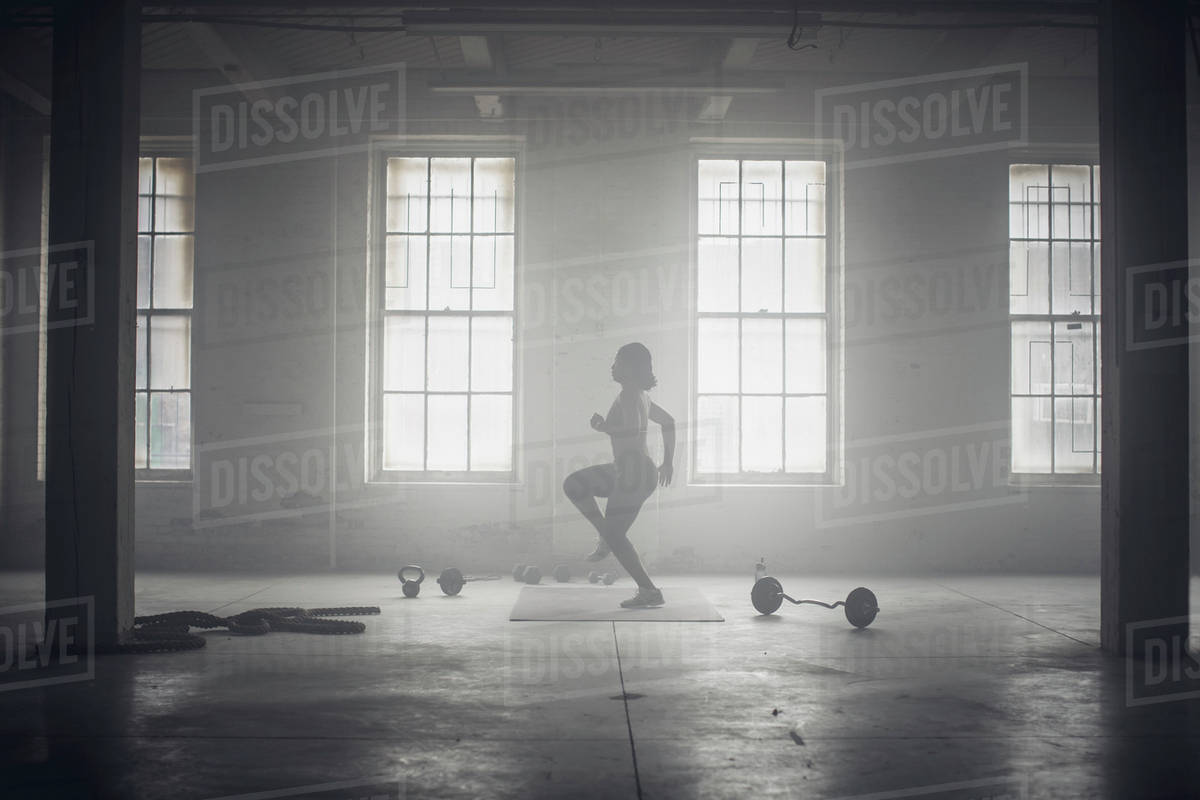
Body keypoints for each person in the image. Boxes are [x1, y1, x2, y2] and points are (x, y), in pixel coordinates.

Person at [562, 342, 675, 608]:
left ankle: (649, 591)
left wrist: (603, 426)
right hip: (629, 470)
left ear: (630, 368)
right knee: (575, 484)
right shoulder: (640, 396)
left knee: (614, 535)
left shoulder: (628, 395)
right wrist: (667, 462)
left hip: (634, 474)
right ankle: (605, 536)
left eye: (617, 362)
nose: (612, 367)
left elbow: (632, 432)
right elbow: (668, 422)